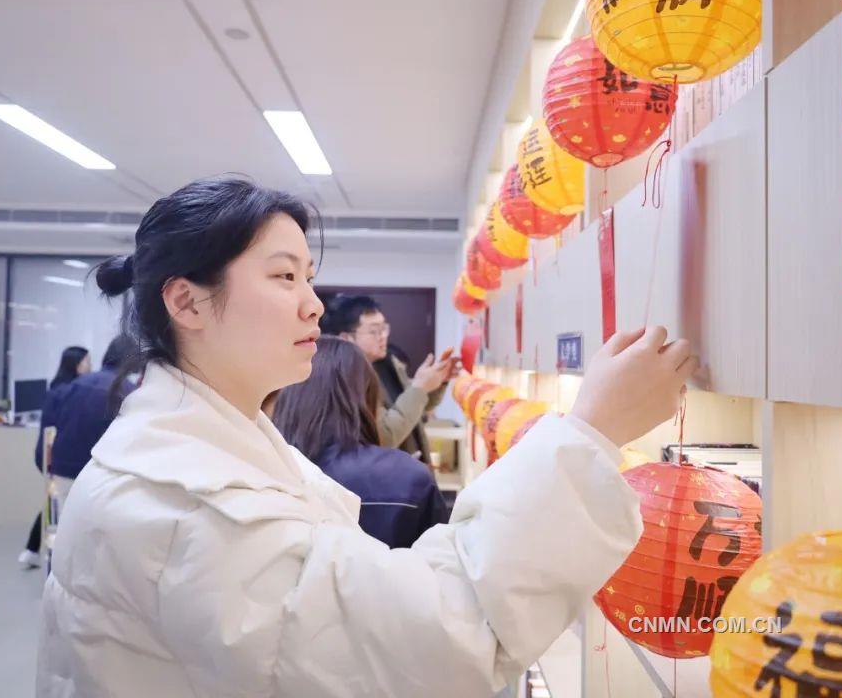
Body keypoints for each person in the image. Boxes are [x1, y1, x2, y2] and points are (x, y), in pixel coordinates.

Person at [36, 176, 697, 697]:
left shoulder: (212, 451)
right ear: (187, 302)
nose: (314, 304)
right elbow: (440, 637)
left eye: (308, 277)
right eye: (284, 276)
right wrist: (591, 433)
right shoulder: (181, 507)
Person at [273, 336, 449, 548]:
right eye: (374, 329)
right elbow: (439, 557)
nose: (382, 335)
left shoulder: (263, 472)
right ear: (368, 396)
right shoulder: (409, 477)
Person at [323, 294, 453, 464]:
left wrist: (438, 381)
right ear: (346, 337)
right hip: (387, 472)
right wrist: (420, 387)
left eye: (384, 328)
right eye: (374, 331)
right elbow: (385, 436)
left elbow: (417, 408)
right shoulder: (346, 379)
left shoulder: (388, 363)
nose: (383, 336)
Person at [39, 335, 135, 516]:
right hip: (97, 478)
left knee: (63, 527)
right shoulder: (128, 392)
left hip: (63, 470)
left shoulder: (75, 385)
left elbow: (52, 426)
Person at [18, 345, 90, 569]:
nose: (90, 366)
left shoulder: (59, 389)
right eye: (87, 361)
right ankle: (48, 558)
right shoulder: (68, 392)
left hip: (53, 456)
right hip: (57, 457)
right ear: (77, 364)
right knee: (55, 507)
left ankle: (32, 551)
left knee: (54, 504)